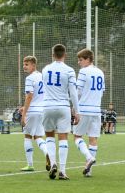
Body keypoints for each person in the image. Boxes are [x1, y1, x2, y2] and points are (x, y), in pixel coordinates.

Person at [42, 44, 79, 180]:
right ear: (65, 55)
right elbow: (73, 93)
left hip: (47, 106)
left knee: (50, 136)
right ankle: (62, 171)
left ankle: (53, 163)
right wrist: (76, 111)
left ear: (52, 54)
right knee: (63, 137)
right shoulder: (69, 70)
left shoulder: (45, 69)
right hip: (63, 106)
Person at [73, 49, 104, 177]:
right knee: (93, 138)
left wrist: (75, 109)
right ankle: (89, 171)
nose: (79, 63)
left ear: (87, 59)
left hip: (84, 109)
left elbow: (78, 91)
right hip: (96, 109)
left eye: (80, 60)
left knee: (77, 136)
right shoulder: (100, 72)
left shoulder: (83, 72)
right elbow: (102, 91)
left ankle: (89, 157)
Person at [19, 56, 50, 172]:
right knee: (38, 136)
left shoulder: (30, 78)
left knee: (27, 136)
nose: (24, 66)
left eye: (27, 64)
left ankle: (30, 164)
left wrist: (24, 113)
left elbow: (29, 96)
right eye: (24, 64)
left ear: (33, 65)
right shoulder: (43, 76)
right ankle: (48, 153)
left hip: (32, 111)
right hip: (42, 111)